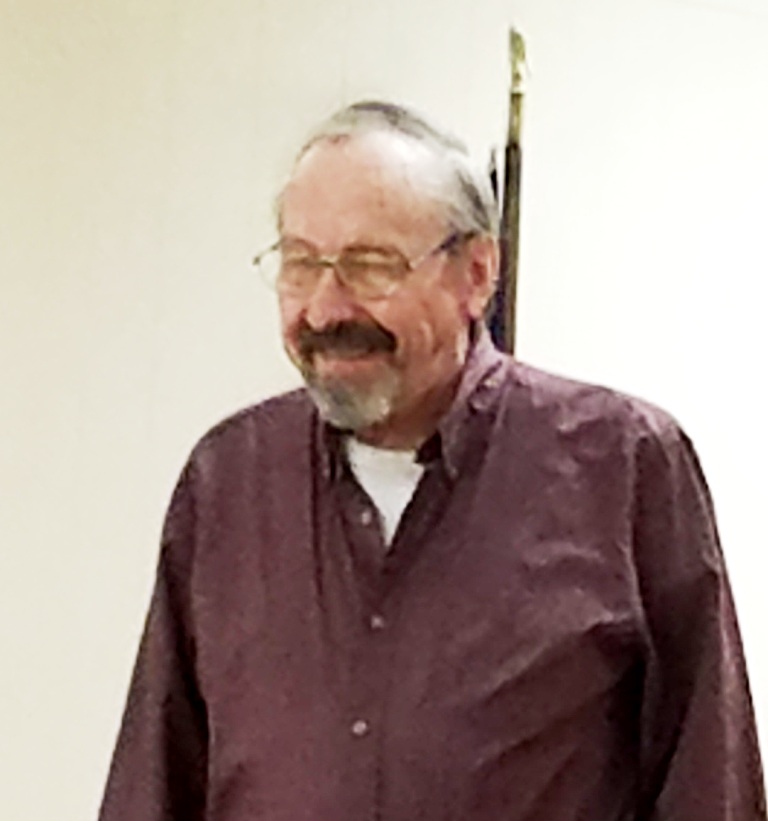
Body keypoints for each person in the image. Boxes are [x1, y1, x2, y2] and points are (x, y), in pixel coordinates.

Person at [98, 101, 766, 821]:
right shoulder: (228, 481)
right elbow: (153, 784)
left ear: (476, 273)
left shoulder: (625, 467)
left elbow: (710, 783)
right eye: (300, 264)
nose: (324, 309)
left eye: (370, 267)